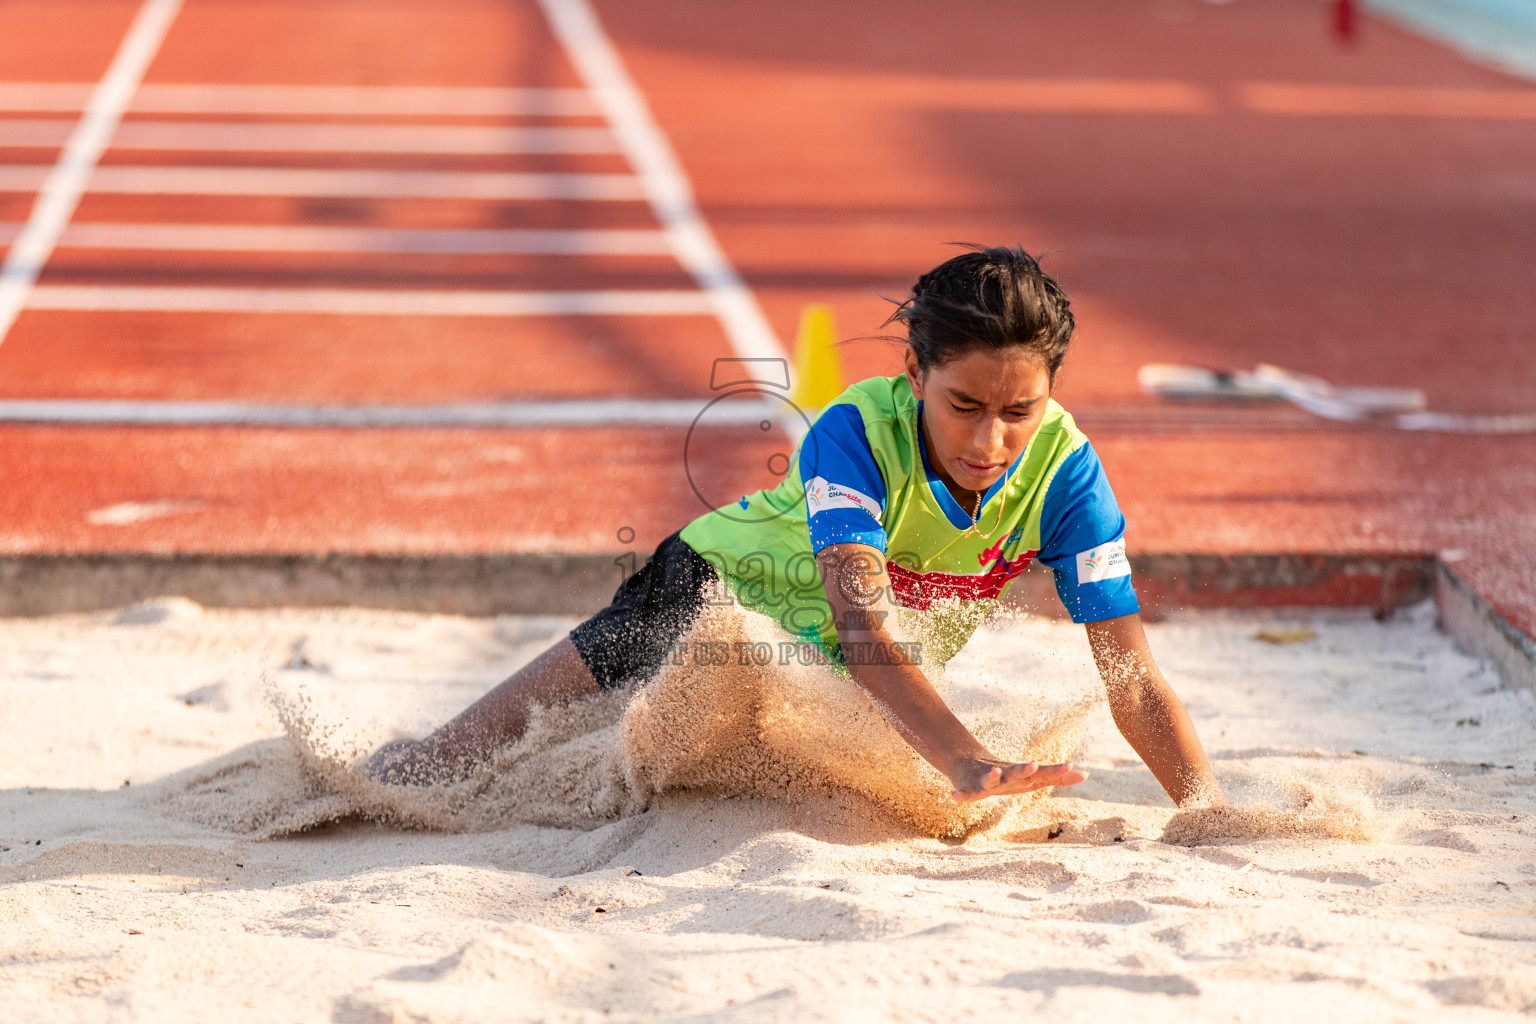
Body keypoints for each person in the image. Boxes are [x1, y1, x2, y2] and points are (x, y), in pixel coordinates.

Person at [367, 246, 1222, 808]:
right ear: (916, 372)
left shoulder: (1069, 477)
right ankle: (381, 771)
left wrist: (1207, 810)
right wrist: (964, 759)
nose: (989, 441)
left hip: (828, 669)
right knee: (452, 764)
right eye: (964, 406)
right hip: (708, 593)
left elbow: (1132, 677)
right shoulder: (853, 434)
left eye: (1018, 411)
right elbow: (864, 625)